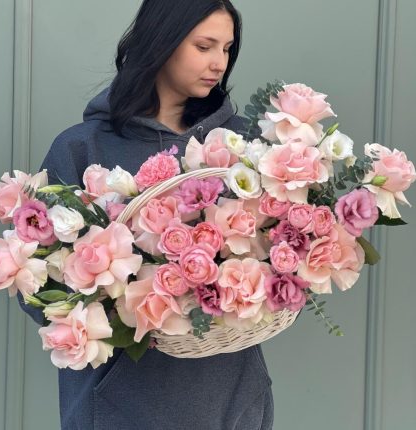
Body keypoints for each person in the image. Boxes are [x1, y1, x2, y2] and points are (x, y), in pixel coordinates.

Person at [19, 1, 274, 428]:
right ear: (162, 43)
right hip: (117, 402)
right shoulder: (82, 147)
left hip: (230, 393)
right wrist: (123, 311)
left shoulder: (244, 146)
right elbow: (34, 284)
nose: (218, 63)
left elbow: (288, 259)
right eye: (204, 46)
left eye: (227, 49)